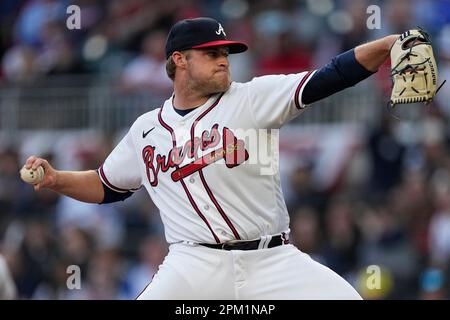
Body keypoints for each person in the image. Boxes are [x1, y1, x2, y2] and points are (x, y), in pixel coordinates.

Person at [23, 17, 401, 299]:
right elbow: (106, 185)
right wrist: (56, 179)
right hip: (193, 265)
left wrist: (385, 45)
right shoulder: (145, 130)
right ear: (179, 60)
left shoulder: (251, 99)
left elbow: (329, 76)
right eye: (212, 53)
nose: (224, 60)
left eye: (226, 53)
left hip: (272, 259)